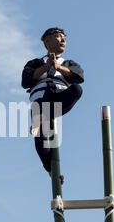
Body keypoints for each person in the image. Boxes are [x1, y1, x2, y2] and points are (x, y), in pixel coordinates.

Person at [21, 27, 84, 185]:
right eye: (58, 36)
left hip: (58, 96)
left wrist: (58, 67)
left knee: (77, 90)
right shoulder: (35, 63)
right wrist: (46, 66)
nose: (63, 40)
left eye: (64, 37)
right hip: (40, 98)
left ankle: (41, 119)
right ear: (47, 41)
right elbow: (25, 80)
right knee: (41, 138)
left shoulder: (69, 63)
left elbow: (79, 76)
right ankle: (51, 170)